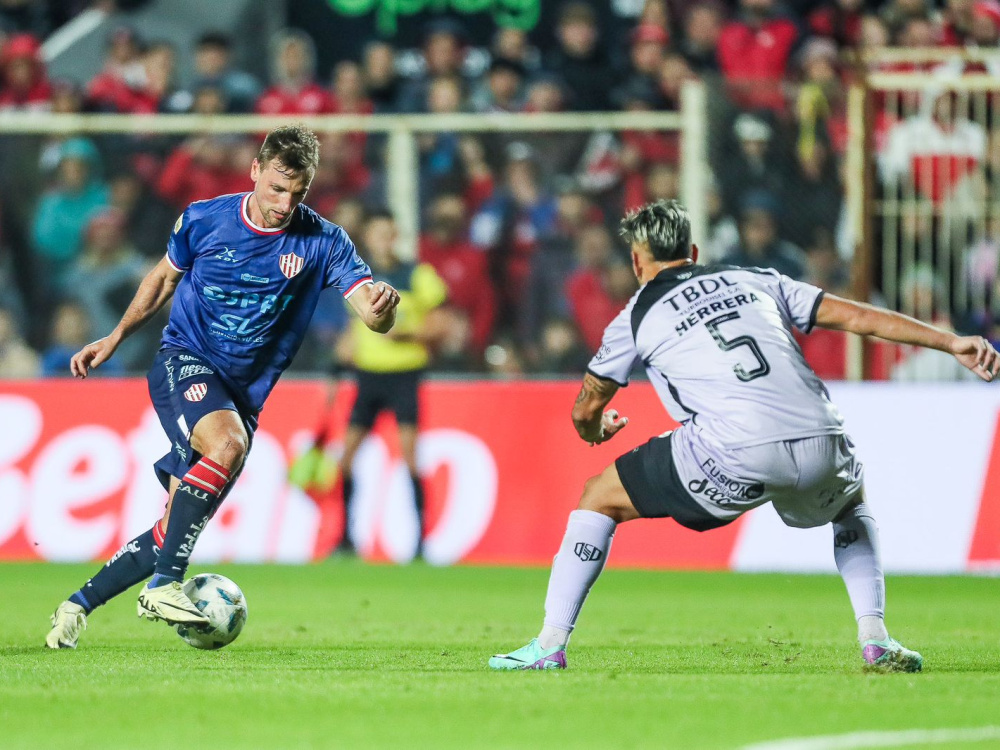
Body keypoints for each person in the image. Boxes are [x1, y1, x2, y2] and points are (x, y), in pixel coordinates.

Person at [489, 199, 998, 672]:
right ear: (692, 252)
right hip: (822, 436)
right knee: (850, 503)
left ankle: (549, 646)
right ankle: (876, 637)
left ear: (637, 263)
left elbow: (585, 410)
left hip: (732, 452)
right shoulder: (757, 278)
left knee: (598, 497)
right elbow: (857, 317)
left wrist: (597, 430)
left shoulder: (637, 314)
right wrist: (950, 341)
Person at [45, 125, 400, 649]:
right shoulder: (205, 219)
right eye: (277, 188)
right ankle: (165, 587)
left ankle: (76, 607)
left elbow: (370, 310)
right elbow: (163, 279)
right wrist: (115, 337)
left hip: (242, 397)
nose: (284, 204)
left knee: (174, 528)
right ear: (255, 170)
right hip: (183, 360)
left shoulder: (323, 240)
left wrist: (380, 314)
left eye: (297, 193)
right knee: (226, 446)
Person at [337, 210, 448, 558]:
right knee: (346, 459)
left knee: (411, 459)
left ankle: (420, 543)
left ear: (395, 235)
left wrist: (407, 334)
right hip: (367, 376)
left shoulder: (417, 275)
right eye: (377, 233)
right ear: (368, 237)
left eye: (389, 233)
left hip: (404, 374)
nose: (383, 240)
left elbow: (442, 324)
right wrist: (345, 352)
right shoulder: (356, 277)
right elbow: (352, 331)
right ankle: (345, 538)